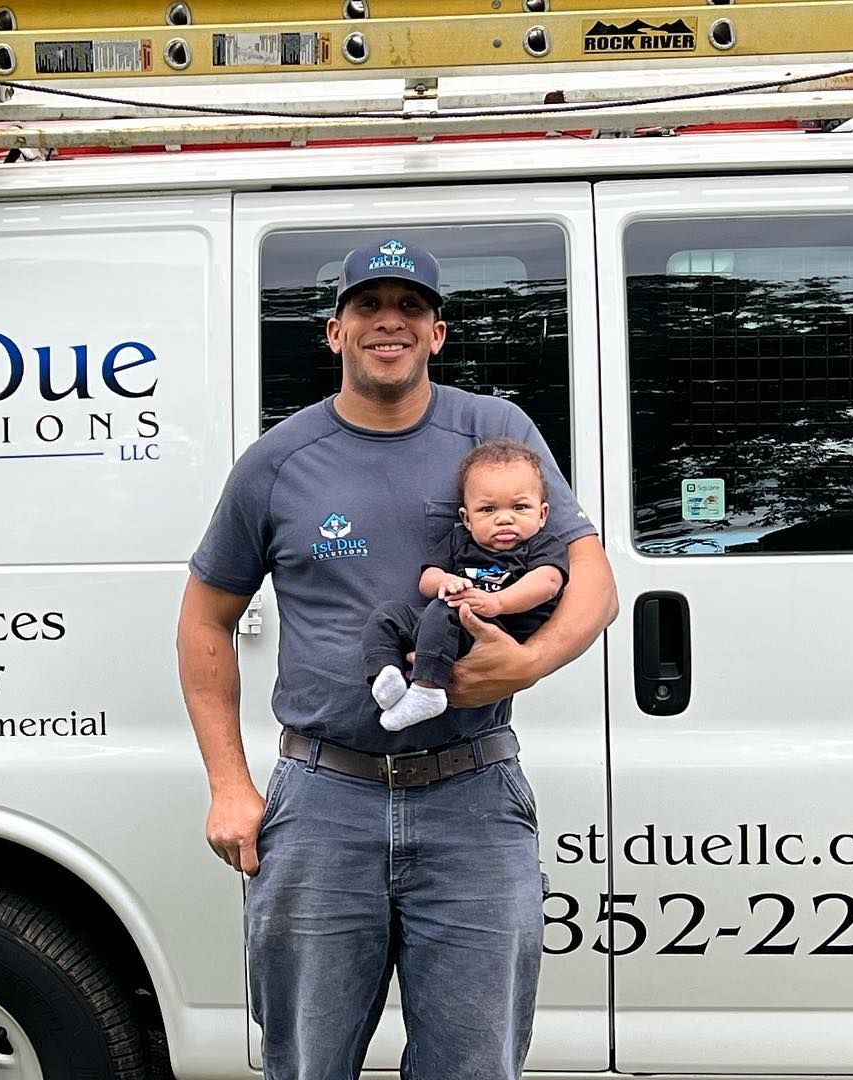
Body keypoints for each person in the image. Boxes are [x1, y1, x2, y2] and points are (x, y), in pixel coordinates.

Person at [176, 238, 618, 1080]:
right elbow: (205, 620)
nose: (391, 322)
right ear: (335, 332)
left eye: (411, 307)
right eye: (369, 307)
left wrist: (529, 663)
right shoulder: (277, 463)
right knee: (307, 1064)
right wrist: (230, 785)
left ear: (437, 333)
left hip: (473, 796)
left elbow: (593, 581)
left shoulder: (496, 434)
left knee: (475, 1066)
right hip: (323, 803)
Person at [363, 437, 569, 732]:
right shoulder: (459, 540)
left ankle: (427, 690)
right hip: (446, 624)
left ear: (542, 514)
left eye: (520, 507)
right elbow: (427, 579)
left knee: (447, 609)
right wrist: (445, 581)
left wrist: (497, 602)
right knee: (389, 614)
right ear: (467, 518)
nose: (505, 519)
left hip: (496, 632)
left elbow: (548, 582)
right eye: (488, 510)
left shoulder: (542, 545)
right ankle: (386, 675)